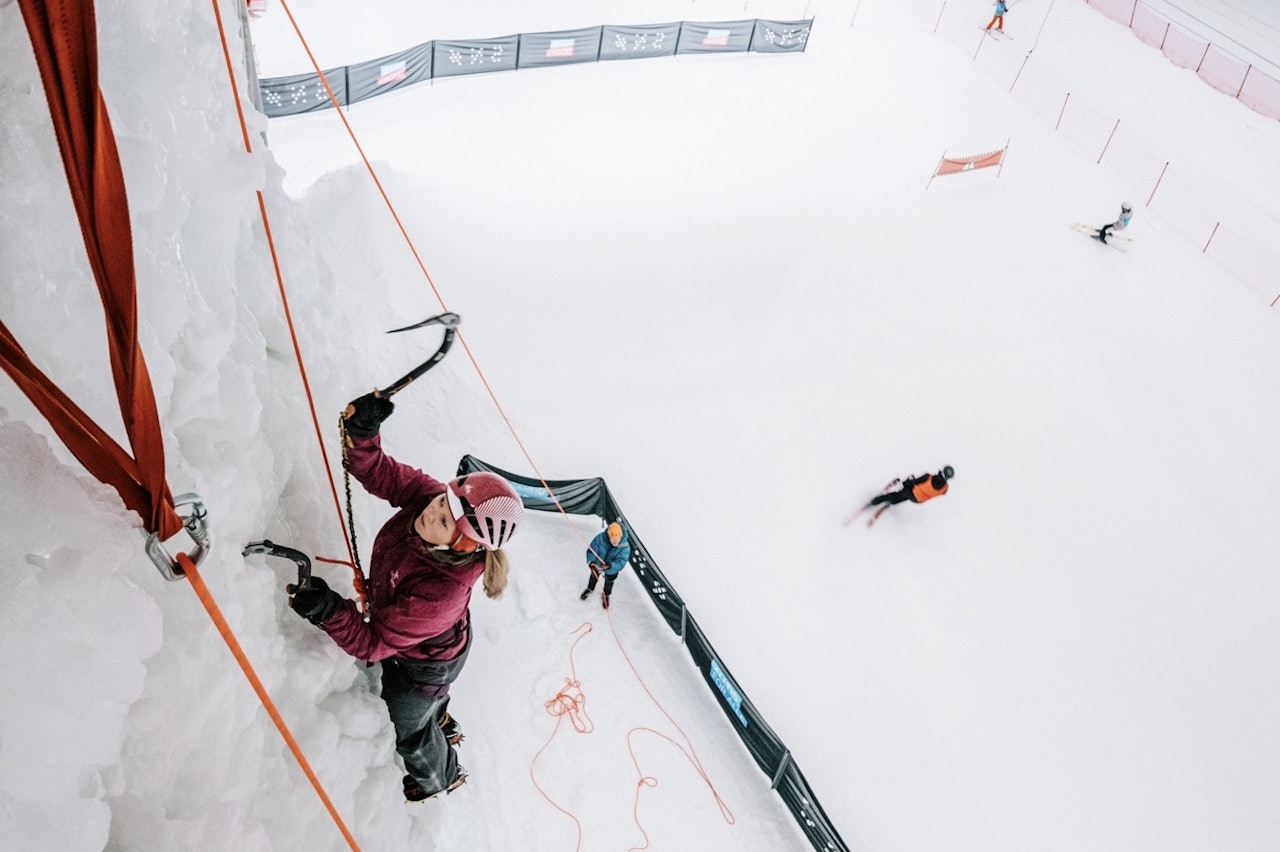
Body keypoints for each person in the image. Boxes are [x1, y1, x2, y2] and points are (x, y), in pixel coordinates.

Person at [286, 391, 524, 802]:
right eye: (440, 500)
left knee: (408, 731)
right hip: (429, 642)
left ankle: (440, 776)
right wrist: (363, 435)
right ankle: (438, 715)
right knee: (419, 707)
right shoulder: (433, 504)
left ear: (464, 546)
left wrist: (328, 610)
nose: (431, 511)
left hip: (428, 667)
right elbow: (382, 473)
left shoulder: (441, 594)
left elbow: (374, 643)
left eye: (445, 518)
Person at [578, 521, 631, 610]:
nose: (615, 542)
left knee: (609, 582)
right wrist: (591, 562)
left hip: (611, 569)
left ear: (621, 536)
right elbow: (591, 551)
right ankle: (590, 589)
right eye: (613, 540)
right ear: (609, 535)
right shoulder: (599, 539)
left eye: (617, 540)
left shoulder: (625, 547)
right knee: (593, 577)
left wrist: (610, 566)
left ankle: (606, 595)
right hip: (598, 565)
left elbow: (621, 562)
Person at [867, 466, 954, 519]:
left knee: (898, 493)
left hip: (912, 491)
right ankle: (892, 502)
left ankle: (874, 501)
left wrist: (903, 483)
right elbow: (940, 490)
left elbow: (915, 481)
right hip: (919, 500)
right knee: (904, 496)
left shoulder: (928, 477)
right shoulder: (945, 489)